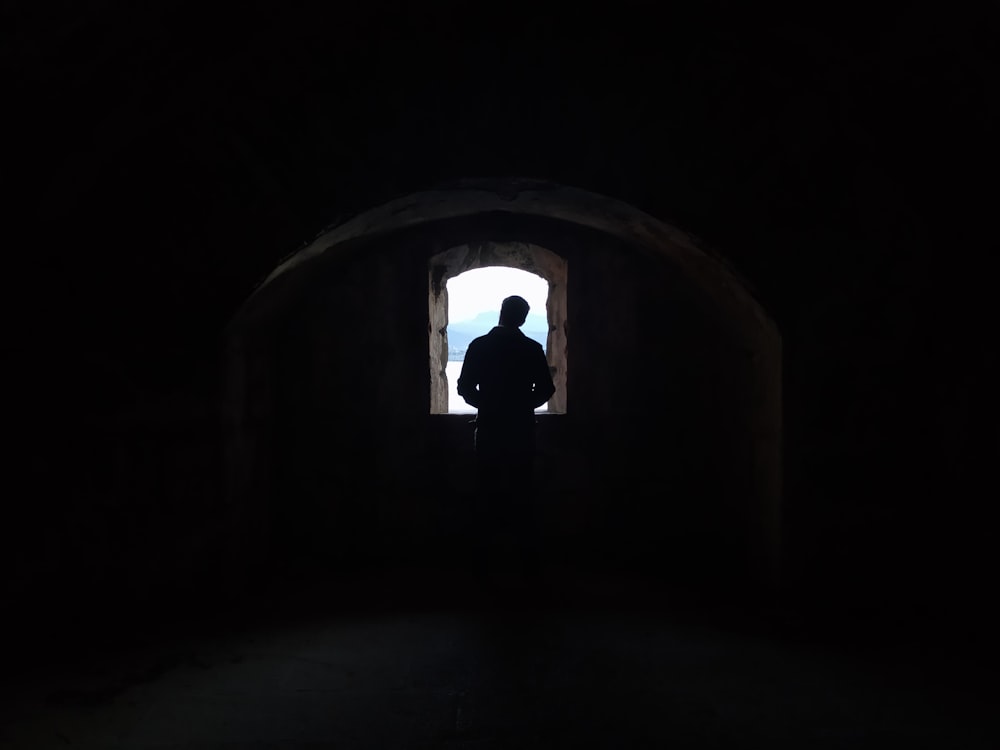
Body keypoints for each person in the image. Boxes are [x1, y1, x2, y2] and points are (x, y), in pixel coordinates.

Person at [457, 295, 555, 586]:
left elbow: (464, 387)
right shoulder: (531, 348)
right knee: (523, 493)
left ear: (500, 313)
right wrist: (523, 406)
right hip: (521, 431)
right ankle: (527, 563)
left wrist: (486, 405)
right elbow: (547, 389)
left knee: (485, 492)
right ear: (523, 319)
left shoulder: (479, 346)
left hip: (489, 429)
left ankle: (482, 563)